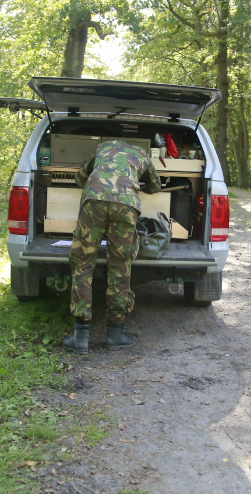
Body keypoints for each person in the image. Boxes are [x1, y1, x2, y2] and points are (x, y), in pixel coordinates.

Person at [63, 139, 161, 354]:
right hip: (126, 206)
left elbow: (79, 178)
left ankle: (80, 336)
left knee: (82, 264)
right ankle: (115, 334)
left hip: (93, 203)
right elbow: (155, 186)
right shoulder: (142, 154)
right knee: (119, 266)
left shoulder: (102, 148)